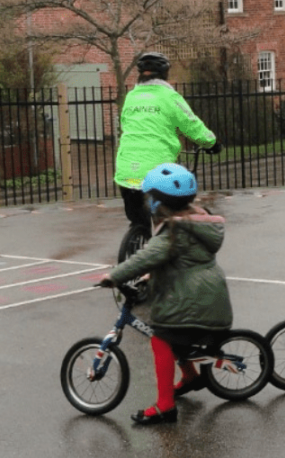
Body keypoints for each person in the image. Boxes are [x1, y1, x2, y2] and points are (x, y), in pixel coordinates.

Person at [99, 162, 233, 425]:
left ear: (159, 203)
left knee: (161, 337)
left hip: (195, 304)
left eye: (150, 198)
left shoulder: (172, 232)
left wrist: (114, 276)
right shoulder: (193, 222)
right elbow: (181, 260)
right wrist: (152, 275)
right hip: (208, 298)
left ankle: (165, 406)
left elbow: (144, 257)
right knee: (173, 331)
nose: (148, 202)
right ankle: (191, 376)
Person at [113, 52, 220, 232]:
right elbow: (191, 124)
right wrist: (212, 142)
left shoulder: (131, 96)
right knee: (172, 217)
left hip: (125, 169)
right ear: (165, 74)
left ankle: (137, 243)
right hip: (156, 170)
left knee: (140, 220)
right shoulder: (170, 97)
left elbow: (125, 123)